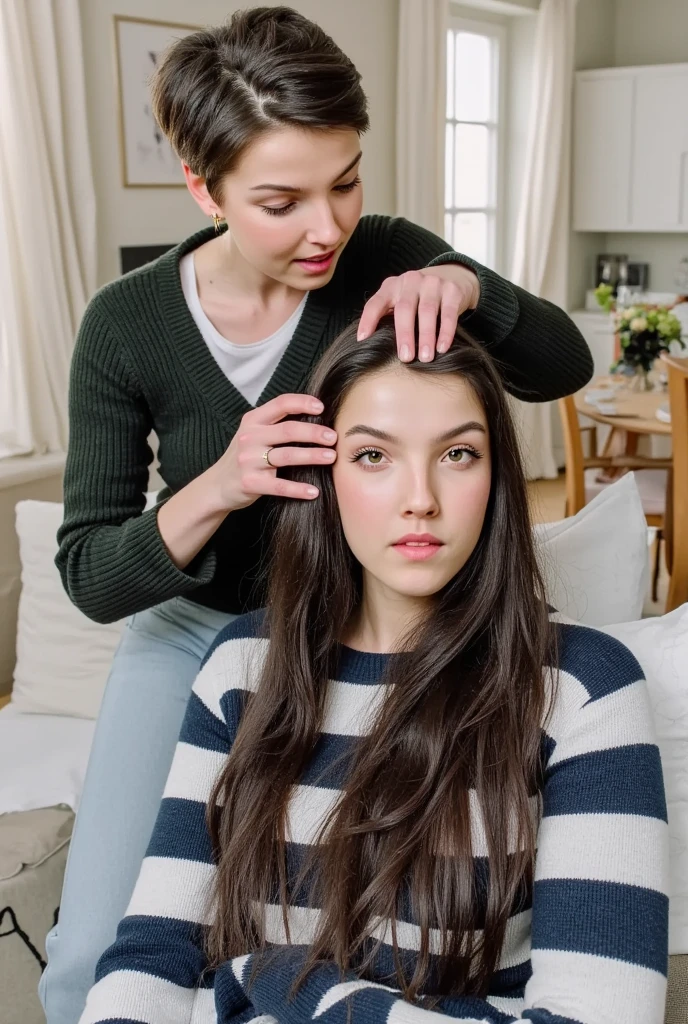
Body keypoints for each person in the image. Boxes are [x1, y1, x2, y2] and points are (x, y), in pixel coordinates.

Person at [42, 7, 595, 1023]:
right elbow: (91, 575)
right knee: (87, 956)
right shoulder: (125, 324)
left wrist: (468, 284)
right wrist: (219, 482)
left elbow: (565, 363)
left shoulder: (381, 253)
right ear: (202, 189)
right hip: (191, 635)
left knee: (339, 936)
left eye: (345, 181)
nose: (328, 227)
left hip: (353, 627)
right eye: (281, 199)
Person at [78, 319, 669, 1024]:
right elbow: (153, 957)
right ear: (323, 477)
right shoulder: (240, 667)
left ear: (497, 475)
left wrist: (292, 984)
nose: (420, 497)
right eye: (372, 457)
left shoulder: (583, 686)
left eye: (457, 453)